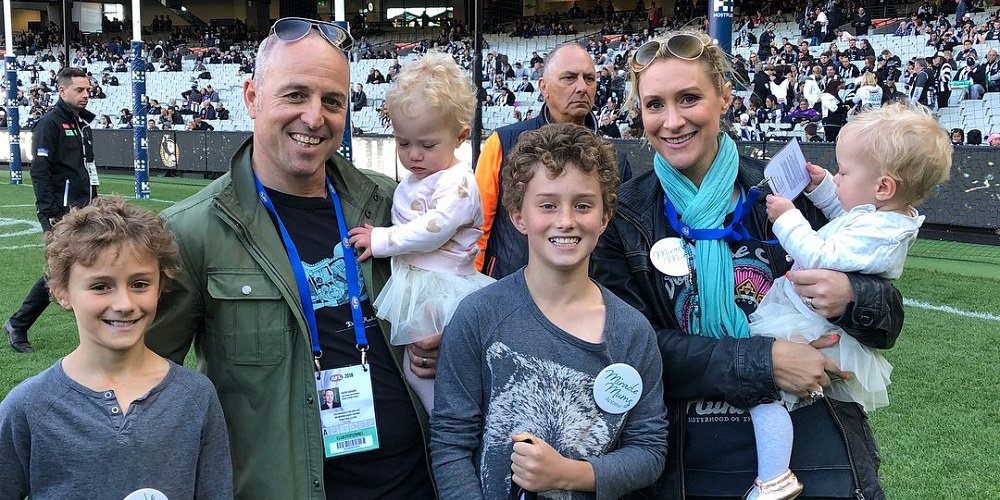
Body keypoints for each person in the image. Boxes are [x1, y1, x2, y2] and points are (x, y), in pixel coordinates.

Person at [591, 31, 904, 499]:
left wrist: (852, 297)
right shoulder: (623, 216)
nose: (672, 121)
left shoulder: (788, 192)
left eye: (689, 98)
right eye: (655, 104)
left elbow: (887, 323)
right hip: (685, 458)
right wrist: (763, 362)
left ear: (724, 98)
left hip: (814, 448)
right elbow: (629, 349)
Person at [145, 18, 436, 500]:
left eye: (332, 101)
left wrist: (444, 336)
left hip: (417, 483)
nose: (314, 117)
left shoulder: (392, 204)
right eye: (295, 94)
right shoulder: (191, 231)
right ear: (252, 97)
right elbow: (149, 383)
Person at [432, 123, 668, 499]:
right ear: (518, 217)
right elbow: (451, 444)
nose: (566, 220)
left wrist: (569, 474)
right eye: (547, 205)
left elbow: (649, 450)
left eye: (583, 205)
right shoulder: (478, 317)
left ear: (605, 217)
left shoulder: (631, 331)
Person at [746, 102, 951, 499]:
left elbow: (823, 254)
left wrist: (787, 216)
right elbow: (848, 215)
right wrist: (824, 187)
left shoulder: (882, 234)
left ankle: (774, 478)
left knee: (763, 389)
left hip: (814, 327)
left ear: (883, 187)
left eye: (844, 172)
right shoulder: (882, 216)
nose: (838, 176)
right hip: (815, 320)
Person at [0, 196, 233, 499]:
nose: (124, 304)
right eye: (101, 286)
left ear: (160, 286)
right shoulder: (29, 407)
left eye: (139, 284)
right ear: (62, 292)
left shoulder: (196, 397)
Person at [347, 52, 494, 412]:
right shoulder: (421, 176)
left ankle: (449, 422)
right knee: (416, 366)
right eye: (403, 142)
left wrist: (382, 240)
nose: (413, 155)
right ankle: (448, 420)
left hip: (442, 287)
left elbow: (434, 228)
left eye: (427, 145)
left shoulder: (457, 182)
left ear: (460, 136)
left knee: (428, 366)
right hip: (420, 282)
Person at [474, 43, 632, 280]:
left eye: (589, 78)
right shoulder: (502, 142)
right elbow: (477, 225)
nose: (582, 87)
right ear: (544, 87)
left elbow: (621, 241)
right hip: (506, 288)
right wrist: (475, 286)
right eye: (569, 78)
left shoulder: (615, 160)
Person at [4, 67, 98, 354]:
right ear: (62, 91)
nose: (85, 95)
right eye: (79, 90)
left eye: (88, 90)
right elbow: (40, 172)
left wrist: (96, 202)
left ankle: (91, 328)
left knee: (85, 266)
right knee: (62, 270)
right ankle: (18, 324)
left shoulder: (83, 125)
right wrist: (51, 213)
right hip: (62, 212)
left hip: (86, 208)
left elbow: (87, 170)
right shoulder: (50, 124)